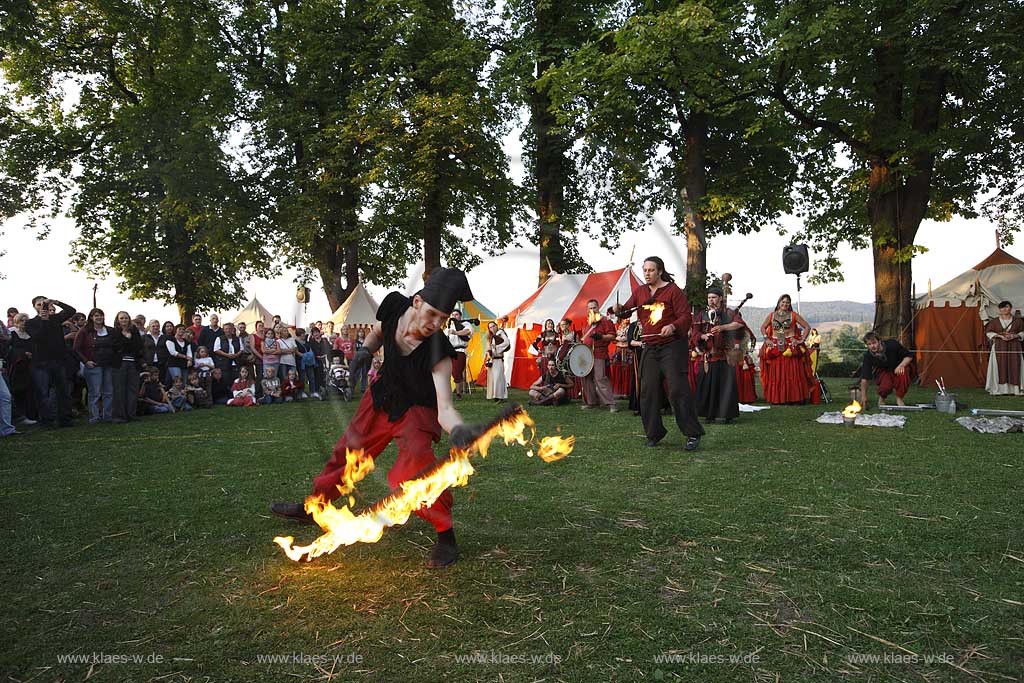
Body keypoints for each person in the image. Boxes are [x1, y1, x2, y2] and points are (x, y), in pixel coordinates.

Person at [271, 267, 485, 569]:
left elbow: (445, 408)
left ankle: (445, 535)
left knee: (414, 472)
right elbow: (379, 331)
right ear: (417, 302)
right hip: (381, 396)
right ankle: (315, 506)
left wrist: (459, 429)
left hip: (416, 411)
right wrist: (366, 351)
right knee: (348, 452)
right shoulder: (395, 306)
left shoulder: (438, 350)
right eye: (433, 314)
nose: (435, 324)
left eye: (443, 319)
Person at [616, 257, 703, 450]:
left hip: (671, 346)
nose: (647, 273)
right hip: (650, 346)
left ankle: (692, 434)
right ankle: (654, 433)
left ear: (660, 271)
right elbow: (626, 311)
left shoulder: (673, 291)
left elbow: (685, 317)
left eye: (651, 270)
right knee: (647, 391)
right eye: (645, 270)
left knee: (677, 389)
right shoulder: (640, 292)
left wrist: (673, 326)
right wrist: (618, 309)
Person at [693, 287, 745, 424]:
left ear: (720, 298)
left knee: (725, 386)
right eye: (709, 297)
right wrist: (702, 336)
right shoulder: (701, 315)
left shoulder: (728, 312)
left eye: (714, 297)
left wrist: (723, 328)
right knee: (708, 387)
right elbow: (694, 332)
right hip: (708, 357)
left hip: (724, 356)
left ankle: (727, 415)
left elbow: (739, 324)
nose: (711, 300)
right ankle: (709, 415)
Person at [25, 296, 77, 427]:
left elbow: (71, 310)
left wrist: (57, 302)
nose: (43, 306)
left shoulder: (56, 319)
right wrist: (44, 320)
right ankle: (47, 420)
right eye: (39, 304)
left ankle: (65, 419)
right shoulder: (31, 323)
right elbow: (38, 337)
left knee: (63, 391)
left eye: (45, 304)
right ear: (34, 307)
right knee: (43, 393)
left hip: (58, 360)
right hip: (41, 363)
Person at [759, 294, 813, 404]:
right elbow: (763, 327)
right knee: (777, 372)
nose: (785, 304)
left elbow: (807, 326)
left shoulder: (793, 315)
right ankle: (778, 398)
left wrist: (801, 340)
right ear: (779, 303)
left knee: (792, 372)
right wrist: (766, 339)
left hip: (790, 345)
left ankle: (794, 398)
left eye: (787, 302)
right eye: (783, 302)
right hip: (775, 345)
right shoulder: (771, 315)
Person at [858, 331, 915, 408]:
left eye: (874, 343)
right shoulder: (868, 356)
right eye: (869, 344)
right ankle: (881, 399)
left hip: (899, 366)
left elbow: (909, 356)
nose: (872, 346)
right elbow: (864, 378)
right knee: (885, 385)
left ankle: (899, 399)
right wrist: (863, 396)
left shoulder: (892, 345)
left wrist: (901, 366)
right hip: (884, 370)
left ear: (879, 341)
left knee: (903, 376)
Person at [580, 299, 618, 412]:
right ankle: (591, 402)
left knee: (600, 378)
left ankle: (611, 403)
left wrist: (601, 337)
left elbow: (612, 336)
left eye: (594, 307)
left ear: (598, 307)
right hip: (586, 354)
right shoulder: (587, 323)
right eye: (590, 308)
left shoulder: (605, 320)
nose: (592, 310)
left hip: (599, 353)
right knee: (586, 377)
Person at [984, 301, 1024, 395]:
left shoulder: (1018, 321)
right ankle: (1000, 390)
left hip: (1014, 346)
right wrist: (1000, 336)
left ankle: (1015, 390)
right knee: (1000, 365)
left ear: (1010, 308)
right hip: (999, 346)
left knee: (1015, 365)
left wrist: (1015, 336)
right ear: (999, 309)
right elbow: (989, 333)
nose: (1004, 309)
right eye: (1002, 308)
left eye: (1006, 307)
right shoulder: (994, 321)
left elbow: (1022, 332)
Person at [111, 311, 143, 423]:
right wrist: (127, 344)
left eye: (126, 318)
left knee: (133, 389)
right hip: (120, 364)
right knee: (119, 390)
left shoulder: (135, 332)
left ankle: (131, 414)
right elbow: (116, 347)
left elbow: (138, 346)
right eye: (122, 318)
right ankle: (119, 416)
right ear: (118, 320)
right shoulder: (114, 332)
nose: (124, 320)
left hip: (133, 363)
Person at [7, 313, 37, 424]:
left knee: (30, 391)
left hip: (29, 366)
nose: (24, 323)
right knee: (17, 391)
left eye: (25, 321)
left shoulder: (31, 335)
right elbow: (9, 350)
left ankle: (30, 414)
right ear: (16, 322)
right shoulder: (12, 334)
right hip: (16, 367)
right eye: (21, 321)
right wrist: (22, 354)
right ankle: (19, 416)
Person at [445, 309, 473, 399]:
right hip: (449, 351)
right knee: (448, 372)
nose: (454, 316)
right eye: (453, 315)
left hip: (460, 350)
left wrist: (455, 332)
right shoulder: (449, 327)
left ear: (460, 316)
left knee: (457, 372)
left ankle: (458, 393)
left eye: (456, 314)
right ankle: (448, 393)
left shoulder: (465, 324)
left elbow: (467, 332)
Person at [485, 321, 510, 402]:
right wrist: (489, 354)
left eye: (493, 326)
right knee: (492, 378)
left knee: (498, 378)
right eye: (490, 327)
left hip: (498, 359)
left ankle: (499, 396)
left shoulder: (501, 333)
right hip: (492, 360)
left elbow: (507, 343)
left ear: (496, 326)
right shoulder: (490, 337)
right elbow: (488, 349)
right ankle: (494, 395)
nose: (492, 328)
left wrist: (496, 348)